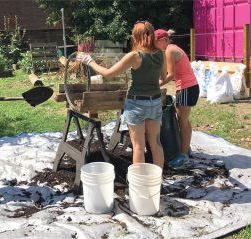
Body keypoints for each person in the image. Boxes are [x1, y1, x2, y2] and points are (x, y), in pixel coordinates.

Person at [77, 21, 167, 169]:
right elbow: (163, 78)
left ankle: (139, 183)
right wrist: (148, 79)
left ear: (136, 36)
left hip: (137, 104)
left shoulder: (135, 56)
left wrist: (90, 61)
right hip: (155, 102)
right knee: (156, 142)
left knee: (138, 146)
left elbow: (108, 73)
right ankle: (157, 181)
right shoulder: (160, 54)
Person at [154, 29, 199, 167]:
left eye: (156, 42)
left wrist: (155, 85)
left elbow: (170, 75)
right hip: (187, 87)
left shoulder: (169, 51)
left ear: (165, 40)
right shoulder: (171, 49)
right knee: (183, 120)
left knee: (182, 121)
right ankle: (185, 147)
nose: (155, 45)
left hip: (187, 87)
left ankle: (183, 155)